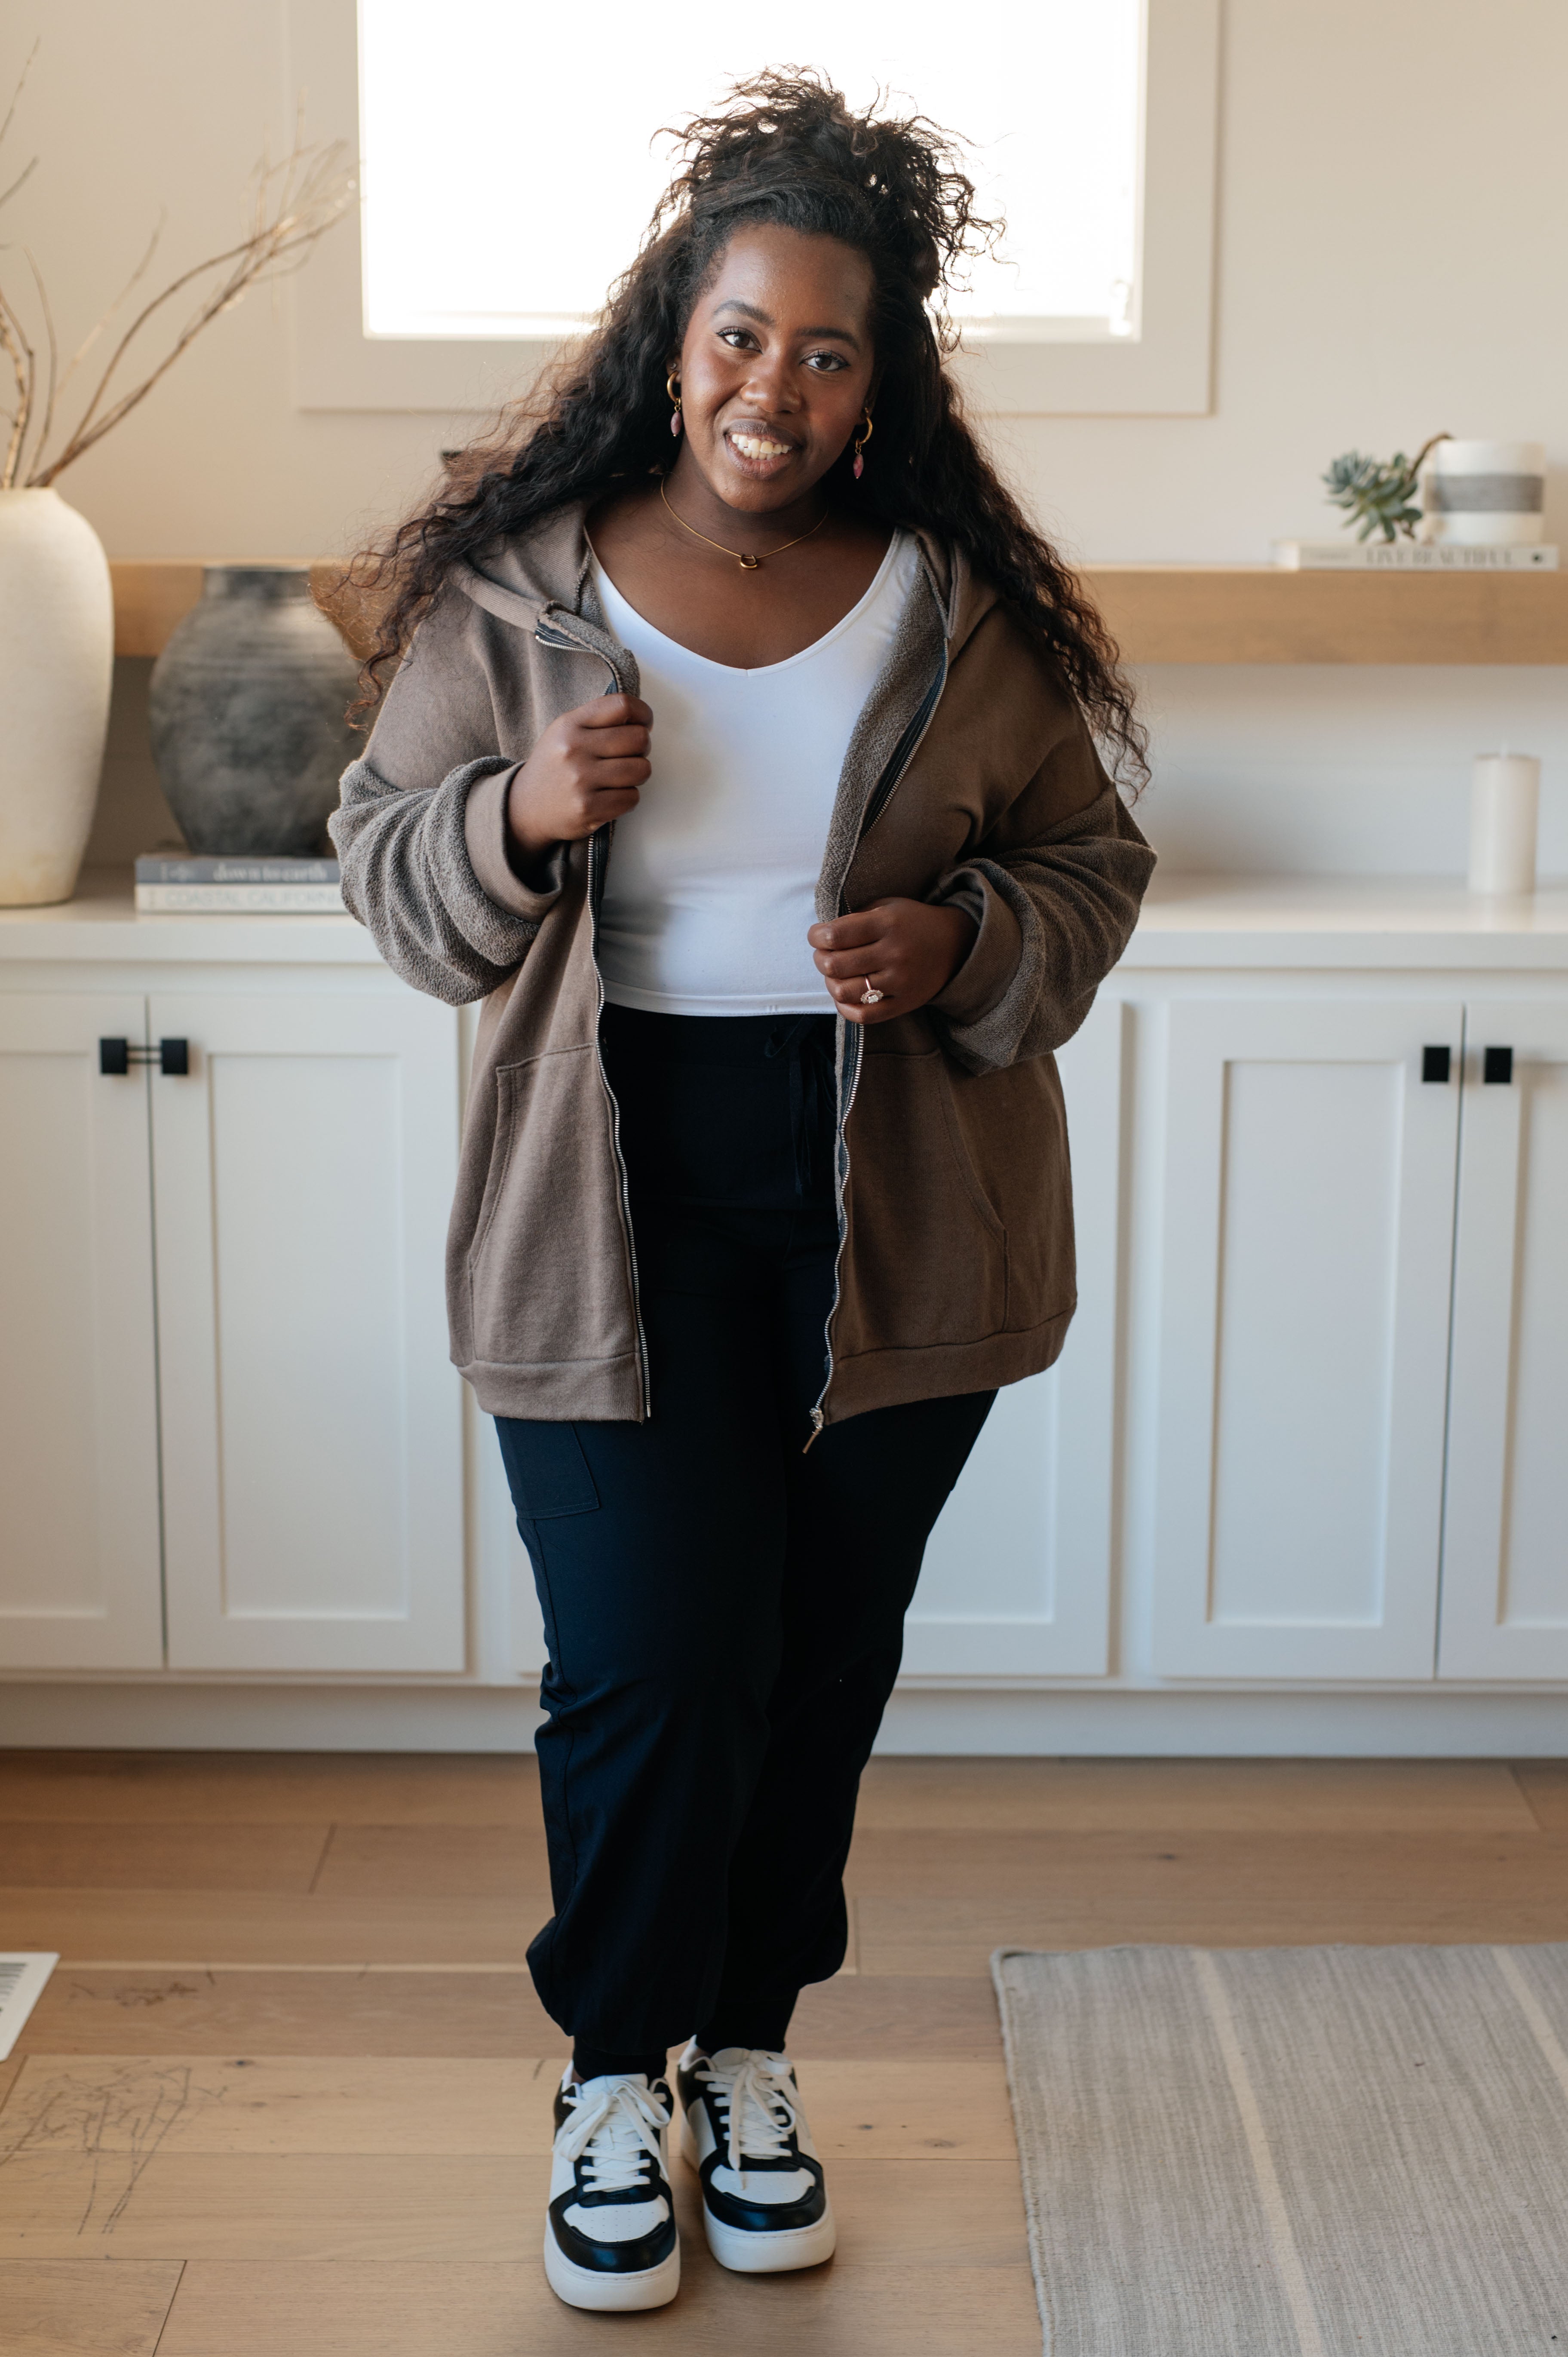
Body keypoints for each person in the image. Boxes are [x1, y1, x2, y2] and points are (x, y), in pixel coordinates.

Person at [331, 70, 1154, 2316]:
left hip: (894, 1191)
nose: (768, 385)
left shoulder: (953, 609)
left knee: (814, 1662)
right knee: (651, 1659)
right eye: (736, 332)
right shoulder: (515, 593)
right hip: (605, 1195)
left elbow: (1091, 863)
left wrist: (967, 944)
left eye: (824, 348)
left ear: (878, 383)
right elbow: (391, 887)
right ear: (667, 337)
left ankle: (751, 2060)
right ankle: (616, 2071)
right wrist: (511, 808)